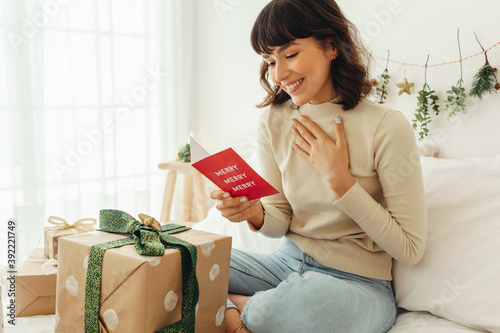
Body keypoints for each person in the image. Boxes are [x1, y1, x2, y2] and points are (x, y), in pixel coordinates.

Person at [210, 0, 427, 332]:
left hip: (359, 285)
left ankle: (231, 309)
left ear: (330, 46)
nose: (279, 74)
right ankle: (239, 312)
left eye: (290, 54)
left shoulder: (386, 126)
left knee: (281, 309)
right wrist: (253, 213)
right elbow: (279, 220)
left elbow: (410, 248)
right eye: (270, 61)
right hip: (283, 265)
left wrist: (342, 182)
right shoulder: (274, 120)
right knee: (182, 259)